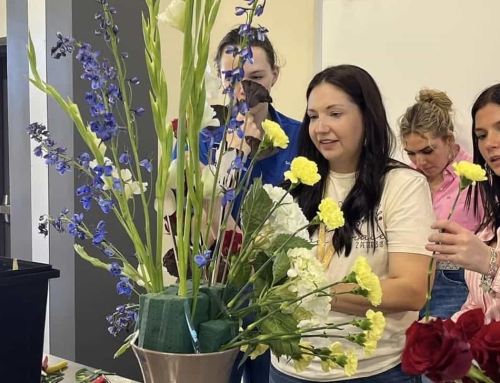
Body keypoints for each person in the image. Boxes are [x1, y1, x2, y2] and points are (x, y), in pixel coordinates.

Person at [270, 64, 435, 383]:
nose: (320, 127)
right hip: (289, 368)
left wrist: (312, 291)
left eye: (335, 113)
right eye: (313, 116)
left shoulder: (402, 185)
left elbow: (412, 290)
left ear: (366, 116)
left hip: (372, 369)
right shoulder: (294, 184)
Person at [172, 27, 301, 383]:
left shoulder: (302, 138)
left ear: (275, 74)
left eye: (257, 77)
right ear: (218, 76)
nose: (244, 91)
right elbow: (191, 227)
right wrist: (233, 158)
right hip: (215, 292)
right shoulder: (196, 139)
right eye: (232, 78)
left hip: (278, 295)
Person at [399, 89, 483, 321]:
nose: (420, 162)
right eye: (411, 153)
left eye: (428, 151)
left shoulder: (479, 175)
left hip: (459, 280)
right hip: (413, 277)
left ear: (449, 139)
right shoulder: (406, 179)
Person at [427, 83, 500, 323]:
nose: (490, 143)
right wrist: (445, 334)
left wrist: (490, 263)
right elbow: (480, 304)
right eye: (482, 135)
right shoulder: (491, 220)